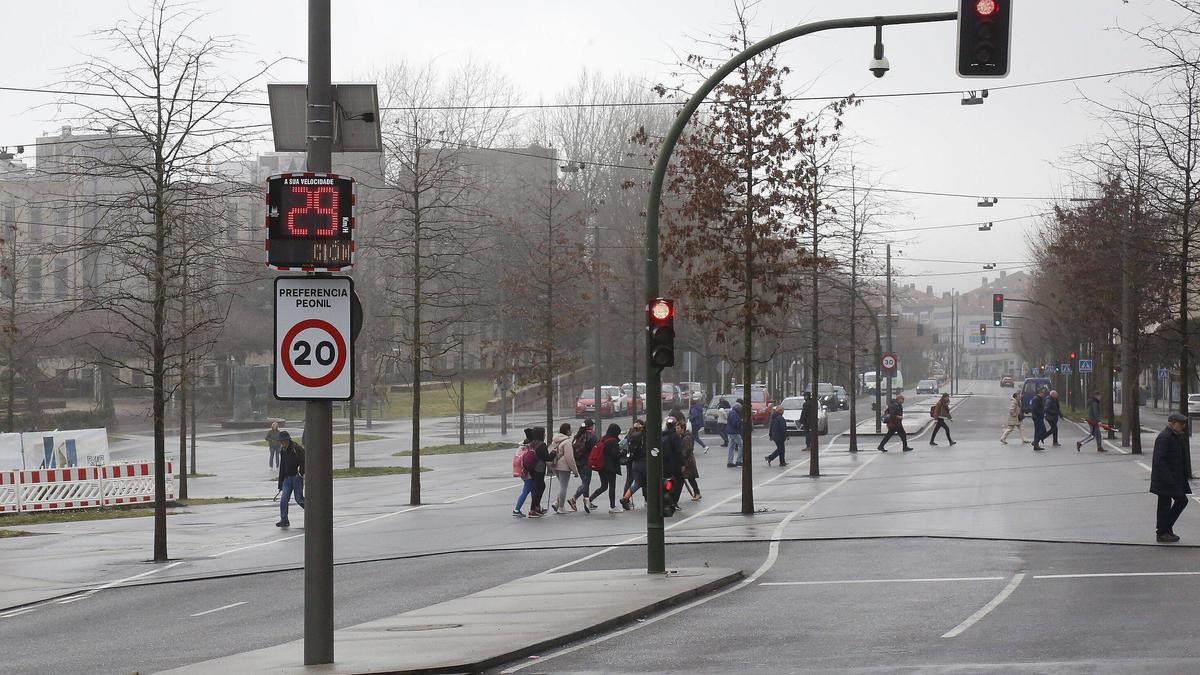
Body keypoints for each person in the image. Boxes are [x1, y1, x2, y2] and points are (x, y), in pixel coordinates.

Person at [1151, 412, 1192, 542]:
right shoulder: (1165, 437)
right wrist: (1169, 479)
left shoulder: (1173, 436)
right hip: (1166, 480)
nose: (1183, 426)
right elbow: (1159, 460)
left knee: (1167, 504)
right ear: (1172, 423)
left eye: (1184, 423)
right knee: (1177, 502)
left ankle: (1166, 530)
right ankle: (1163, 531)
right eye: (1181, 423)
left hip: (1171, 479)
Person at [588, 423, 623, 514]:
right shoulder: (613, 441)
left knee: (603, 486)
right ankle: (612, 506)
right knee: (612, 486)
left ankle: (589, 500)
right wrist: (623, 452)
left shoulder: (603, 439)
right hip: (610, 467)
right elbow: (615, 455)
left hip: (601, 466)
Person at [275, 431, 305, 527]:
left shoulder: (296, 448)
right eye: (281, 441)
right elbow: (282, 468)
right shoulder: (282, 450)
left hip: (297, 478)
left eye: (284, 441)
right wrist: (280, 484)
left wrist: (301, 472)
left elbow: (305, 460)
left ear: (288, 440)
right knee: (283, 500)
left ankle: (313, 514)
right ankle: (284, 520)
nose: (282, 443)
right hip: (287, 479)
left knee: (299, 499)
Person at [568, 419, 598, 512]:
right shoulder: (592, 436)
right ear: (591, 426)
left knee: (585, 482)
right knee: (586, 482)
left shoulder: (578, 435)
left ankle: (575, 499)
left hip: (578, 462)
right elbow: (594, 451)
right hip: (586, 462)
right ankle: (584, 500)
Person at [549, 422, 579, 514]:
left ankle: (556, 503)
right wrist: (575, 471)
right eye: (570, 429)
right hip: (564, 466)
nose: (572, 431)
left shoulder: (555, 439)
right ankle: (561, 507)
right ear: (567, 431)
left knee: (562, 486)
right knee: (564, 487)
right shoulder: (567, 441)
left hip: (555, 465)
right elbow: (569, 457)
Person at [620, 419, 647, 510]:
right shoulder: (646, 436)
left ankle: (625, 498)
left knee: (636, 482)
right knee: (648, 481)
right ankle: (648, 500)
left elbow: (622, 444)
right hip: (644, 462)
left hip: (633, 462)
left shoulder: (632, 436)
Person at [527, 427, 553, 518]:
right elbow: (547, 457)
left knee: (537, 487)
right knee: (539, 487)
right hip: (539, 468)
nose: (545, 434)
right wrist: (554, 452)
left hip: (531, 468)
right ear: (540, 434)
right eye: (544, 433)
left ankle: (536, 507)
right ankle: (533, 509)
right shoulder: (542, 444)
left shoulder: (532, 443)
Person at [662, 417, 686, 510]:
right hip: (674, 464)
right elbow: (678, 451)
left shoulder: (662, 435)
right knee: (680, 480)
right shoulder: (675, 436)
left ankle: (665, 500)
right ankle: (673, 501)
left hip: (664, 463)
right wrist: (683, 463)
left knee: (667, 482)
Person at [513, 428, 537, 518]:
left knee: (530, 490)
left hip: (522, 470)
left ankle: (534, 507)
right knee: (526, 490)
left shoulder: (522, 445)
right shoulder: (531, 446)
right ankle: (517, 509)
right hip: (528, 472)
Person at [679, 417, 702, 500]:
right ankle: (697, 493)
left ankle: (697, 493)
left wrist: (683, 460)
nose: (677, 430)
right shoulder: (683, 437)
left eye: (678, 428)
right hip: (687, 460)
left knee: (690, 478)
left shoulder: (686, 438)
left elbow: (686, 450)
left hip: (688, 461)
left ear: (683, 429)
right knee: (689, 478)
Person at [1030, 387, 1048, 451]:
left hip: (1038, 416)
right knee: (1042, 430)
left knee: (1037, 431)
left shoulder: (1039, 398)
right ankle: (1035, 442)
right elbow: (1035, 409)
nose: (1044, 394)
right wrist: (1042, 412)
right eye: (1043, 392)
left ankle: (1036, 446)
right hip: (1037, 417)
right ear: (1040, 392)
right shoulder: (1036, 399)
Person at [726, 402, 744, 467]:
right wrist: (741, 421)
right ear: (738, 408)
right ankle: (739, 461)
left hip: (731, 432)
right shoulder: (734, 414)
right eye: (740, 408)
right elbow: (735, 423)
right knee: (741, 445)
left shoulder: (732, 412)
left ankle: (729, 462)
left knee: (731, 447)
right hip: (735, 432)